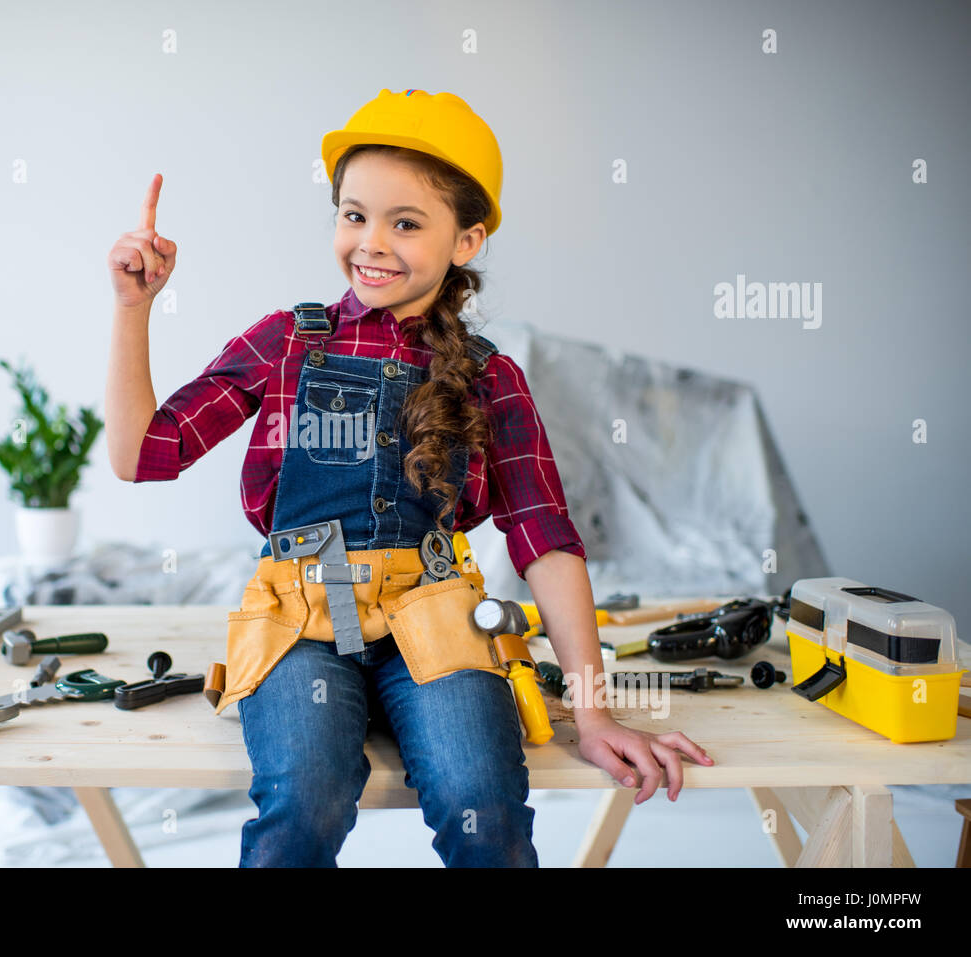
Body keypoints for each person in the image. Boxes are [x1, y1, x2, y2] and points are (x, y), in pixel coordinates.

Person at [105, 89, 714, 867]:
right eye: (354, 215)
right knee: (305, 799)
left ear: (467, 239)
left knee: (483, 804)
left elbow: (546, 540)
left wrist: (593, 715)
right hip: (301, 622)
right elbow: (143, 453)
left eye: (405, 222)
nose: (372, 242)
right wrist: (133, 308)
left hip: (434, 618)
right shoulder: (286, 341)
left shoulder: (491, 377)